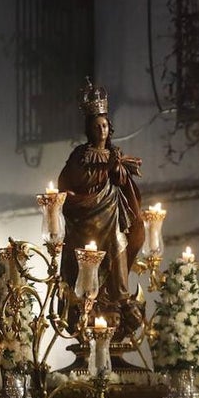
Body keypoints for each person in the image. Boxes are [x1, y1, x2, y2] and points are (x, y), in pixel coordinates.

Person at [58, 80, 145, 341]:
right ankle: (86, 305)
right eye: (97, 126)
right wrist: (105, 169)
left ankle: (119, 299)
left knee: (120, 244)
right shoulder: (80, 155)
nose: (102, 130)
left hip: (112, 213)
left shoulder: (114, 152)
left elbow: (121, 182)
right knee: (89, 261)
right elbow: (72, 182)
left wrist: (117, 168)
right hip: (87, 219)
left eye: (105, 125)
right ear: (89, 129)